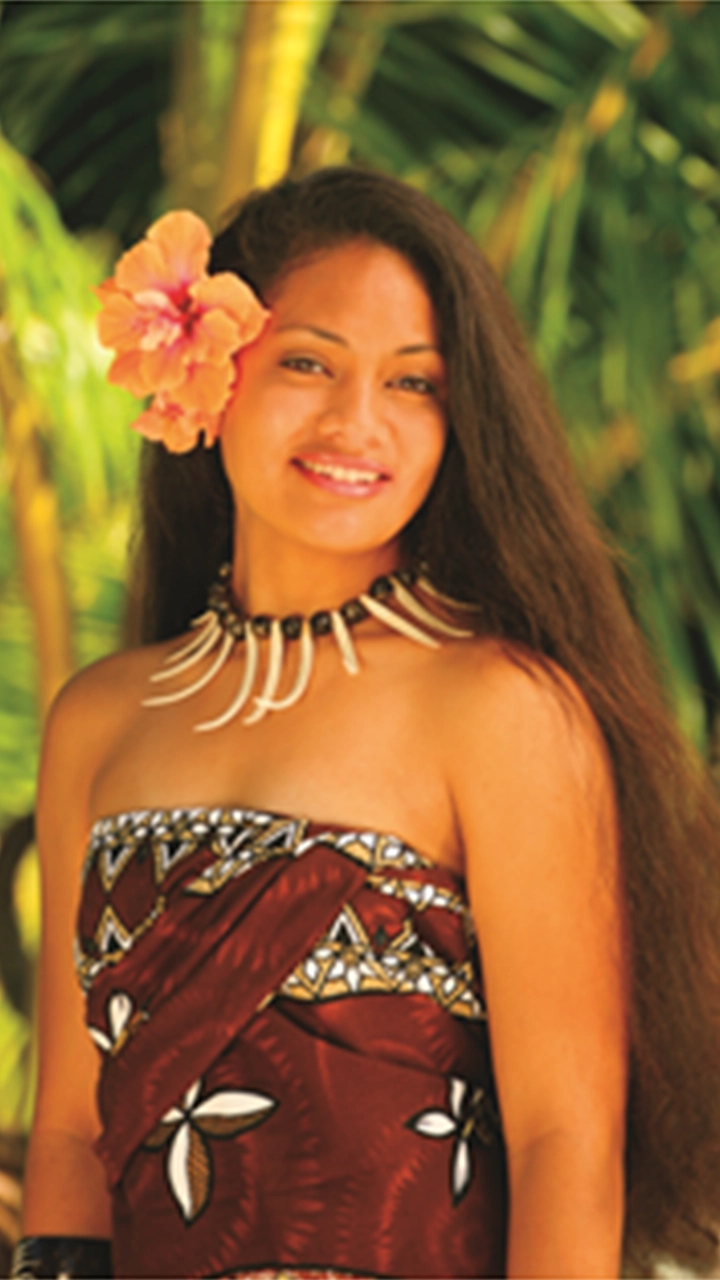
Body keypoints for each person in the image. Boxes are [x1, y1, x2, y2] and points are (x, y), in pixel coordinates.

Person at [12, 166, 720, 1280]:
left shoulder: (503, 710)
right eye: (309, 363)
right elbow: (68, 1129)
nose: (358, 422)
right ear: (206, 373)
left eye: (415, 383)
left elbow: (564, 1140)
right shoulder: (101, 719)